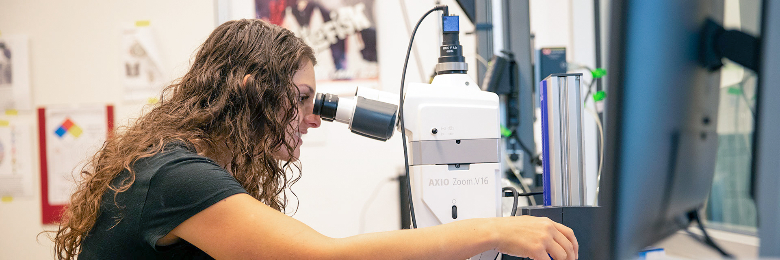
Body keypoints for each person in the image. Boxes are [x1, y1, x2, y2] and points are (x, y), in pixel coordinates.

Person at [53, 19, 579, 260]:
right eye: (303, 98)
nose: (314, 118)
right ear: (251, 90)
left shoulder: (183, 166)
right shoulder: (179, 178)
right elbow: (324, 257)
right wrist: (493, 232)